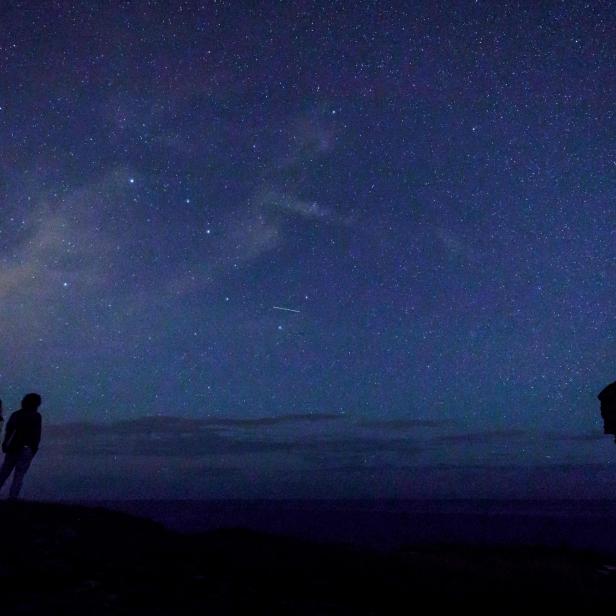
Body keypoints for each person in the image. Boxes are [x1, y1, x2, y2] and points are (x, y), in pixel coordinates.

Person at [0, 393, 42, 499]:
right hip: (26, 448)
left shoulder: (16, 414)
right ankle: (13, 497)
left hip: (14, 446)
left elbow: (9, 431)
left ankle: (12, 498)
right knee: (19, 475)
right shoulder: (36, 416)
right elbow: (36, 434)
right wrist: (34, 449)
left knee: (4, 472)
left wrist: (5, 443)